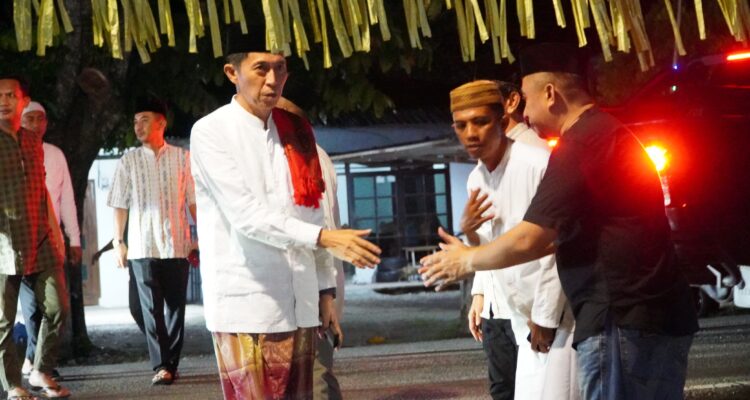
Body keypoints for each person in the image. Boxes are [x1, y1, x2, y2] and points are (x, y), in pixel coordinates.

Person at [419, 43, 699, 400]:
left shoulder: (577, 146)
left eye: (526, 99)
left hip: (621, 315)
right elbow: (559, 237)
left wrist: (467, 260)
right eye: (461, 125)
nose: (524, 113)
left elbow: (533, 238)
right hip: (641, 313)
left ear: (550, 94)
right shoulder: (599, 133)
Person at [190, 30, 381, 399]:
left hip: (302, 301)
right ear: (232, 72)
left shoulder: (294, 131)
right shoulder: (211, 131)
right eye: (261, 68)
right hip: (248, 304)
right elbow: (246, 215)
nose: (273, 80)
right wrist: (325, 238)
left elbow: (314, 213)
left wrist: (325, 290)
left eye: (280, 68)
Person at [452, 80, 577, 400]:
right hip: (515, 314)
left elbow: (556, 244)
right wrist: (480, 288)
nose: (471, 133)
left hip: (557, 317)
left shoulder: (538, 162)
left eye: (480, 121)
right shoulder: (478, 177)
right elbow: (491, 246)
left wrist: (546, 316)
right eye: (461, 125)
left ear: (503, 117)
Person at [107, 97, 197, 385]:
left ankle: (170, 363)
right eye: (135, 121)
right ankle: (162, 364)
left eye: (144, 120)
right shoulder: (129, 160)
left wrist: (200, 237)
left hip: (177, 243)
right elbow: (119, 203)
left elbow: (194, 201)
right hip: (142, 245)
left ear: (161, 123)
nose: (138, 126)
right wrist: (118, 241)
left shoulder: (182, 158)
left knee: (175, 309)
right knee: (144, 308)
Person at [0, 75, 71, 399]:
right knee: (3, 321)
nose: (4, 101)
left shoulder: (32, 141)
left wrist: (56, 232)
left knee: (58, 306)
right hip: (4, 242)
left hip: (40, 238)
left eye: (10, 95)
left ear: (23, 101)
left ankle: (41, 369)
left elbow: (42, 191)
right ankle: (13, 385)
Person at [276, 97, 345, 399]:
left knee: (315, 378)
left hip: (312, 285)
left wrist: (326, 295)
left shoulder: (306, 157)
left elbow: (322, 227)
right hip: (301, 286)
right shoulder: (288, 156)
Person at [20, 100, 82, 379]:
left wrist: (74, 239)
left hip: (51, 240)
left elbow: (66, 199)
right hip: (20, 242)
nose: (35, 124)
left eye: (40, 119)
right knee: (30, 308)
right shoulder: (11, 152)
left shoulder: (55, 155)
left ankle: (38, 361)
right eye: (30, 119)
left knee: (54, 306)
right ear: (21, 122)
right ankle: (38, 363)